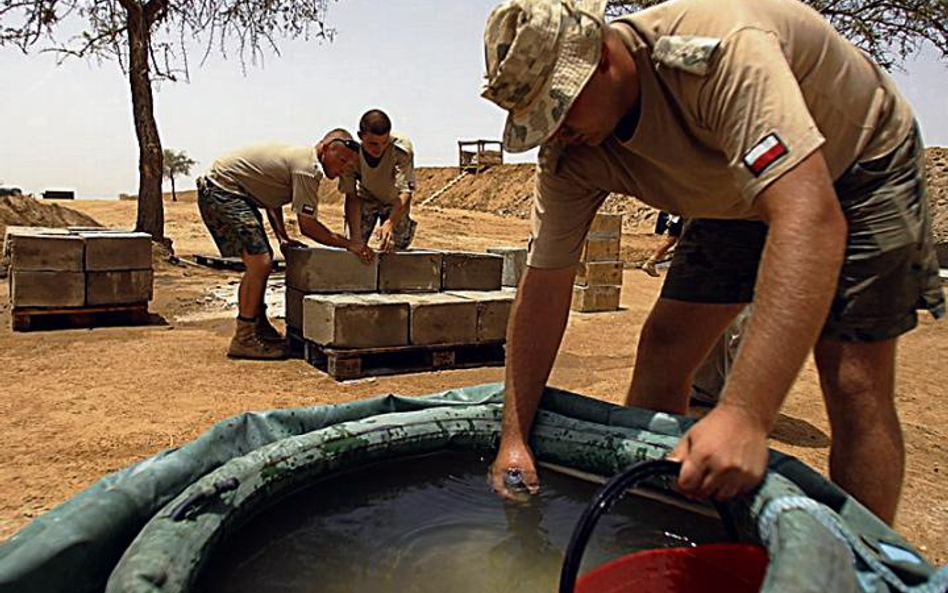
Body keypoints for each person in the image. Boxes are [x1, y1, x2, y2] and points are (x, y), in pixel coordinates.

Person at [480, 0, 944, 524]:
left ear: (602, 59)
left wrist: (744, 414)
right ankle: (650, 529)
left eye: (559, 109)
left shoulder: (717, 53)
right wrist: (514, 439)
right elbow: (544, 285)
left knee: (853, 381)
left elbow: (811, 217)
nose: (556, 130)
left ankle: (863, 565)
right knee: (666, 345)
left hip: (855, 164)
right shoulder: (571, 154)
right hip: (732, 189)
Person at [198, 129, 374, 360]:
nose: (343, 169)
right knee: (260, 263)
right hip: (222, 190)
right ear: (326, 147)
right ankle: (244, 338)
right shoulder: (307, 168)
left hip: (228, 189)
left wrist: (282, 237)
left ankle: (257, 324)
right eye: (341, 160)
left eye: (348, 166)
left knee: (262, 261)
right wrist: (349, 244)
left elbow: (271, 198)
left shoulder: (299, 161)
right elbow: (308, 226)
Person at [338, 109, 418, 252]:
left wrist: (390, 223)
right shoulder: (351, 155)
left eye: (384, 142)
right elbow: (351, 197)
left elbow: (405, 193)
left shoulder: (401, 150)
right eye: (373, 144)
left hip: (394, 203)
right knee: (353, 247)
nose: (379, 148)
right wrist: (356, 239)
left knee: (395, 249)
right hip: (366, 199)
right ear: (361, 136)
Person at [641, 212, 685, 277]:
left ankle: (651, 261)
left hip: (675, 214)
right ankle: (651, 262)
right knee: (672, 239)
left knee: (673, 239)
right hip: (676, 214)